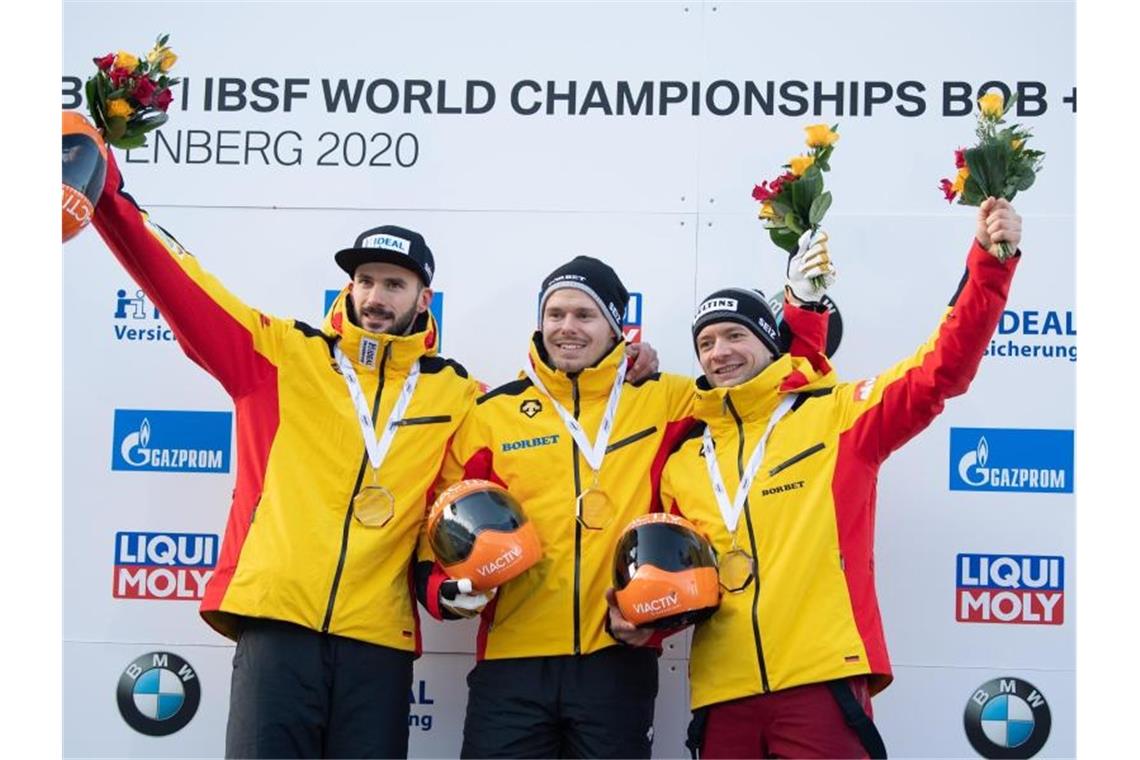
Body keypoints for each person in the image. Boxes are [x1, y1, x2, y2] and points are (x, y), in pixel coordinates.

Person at [91, 148, 481, 758]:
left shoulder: (458, 394)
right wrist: (107, 194)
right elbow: (180, 285)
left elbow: (488, 481)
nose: (376, 296)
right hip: (278, 626)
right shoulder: (280, 357)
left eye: (395, 284)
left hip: (378, 640)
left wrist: (630, 367)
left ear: (423, 298)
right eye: (366, 280)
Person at [417, 242, 836, 758]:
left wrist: (805, 311)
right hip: (511, 663)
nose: (567, 326)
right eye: (555, 313)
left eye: (584, 314)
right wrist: (443, 589)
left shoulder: (668, 399)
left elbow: (770, 387)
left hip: (615, 659)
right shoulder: (492, 413)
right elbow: (439, 520)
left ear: (617, 327)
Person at [647, 198, 1022, 759]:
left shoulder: (838, 416)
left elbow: (942, 367)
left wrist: (991, 262)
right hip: (724, 694)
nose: (720, 351)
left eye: (735, 335)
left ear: (769, 342)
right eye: (706, 342)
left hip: (820, 681)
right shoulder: (684, 458)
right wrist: (639, 624)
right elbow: (669, 577)